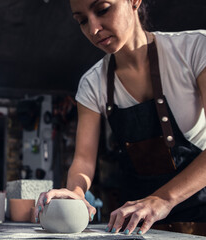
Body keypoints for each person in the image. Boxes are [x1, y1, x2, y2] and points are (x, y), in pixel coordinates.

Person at [35, 0, 206, 235]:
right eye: (82, 20)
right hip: (140, 228)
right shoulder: (92, 84)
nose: (93, 28)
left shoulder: (195, 49)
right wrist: (75, 192)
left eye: (103, 9)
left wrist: (162, 199)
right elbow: (84, 160)